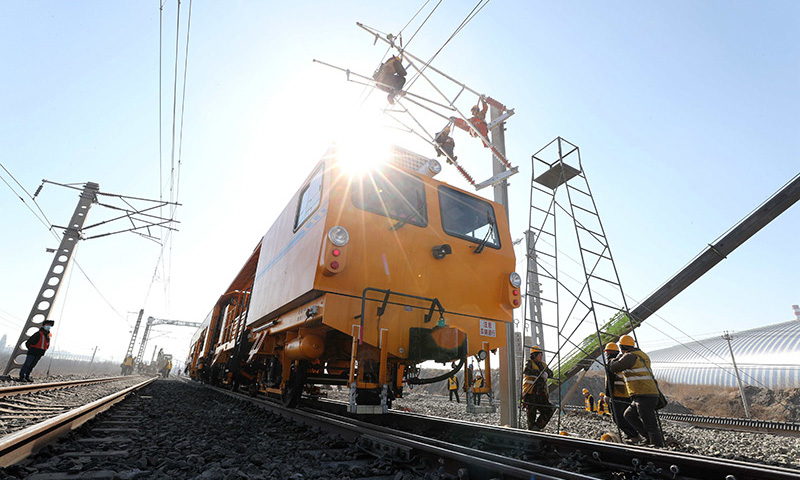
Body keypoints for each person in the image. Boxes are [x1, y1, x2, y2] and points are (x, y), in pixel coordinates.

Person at [608, 335, 665, 447]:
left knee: (649, 422)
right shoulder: (641, 355)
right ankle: (648, 438)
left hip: (644, 394)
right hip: (644, 394)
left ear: (621, 347)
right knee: (629, 414)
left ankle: (657, 446)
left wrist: (612, 360)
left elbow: (614, 367)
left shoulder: (630, 356)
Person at [604, 342, 643, 443]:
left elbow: (610, 380)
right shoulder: (622, 361)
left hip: (617, 395)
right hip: (627, 394)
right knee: (626, 417)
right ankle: (632, 434)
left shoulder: (612, 363)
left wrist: (608, 395)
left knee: (618, 419)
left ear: (609, 352)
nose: (606, 354)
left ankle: (634, 435)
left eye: (607, 352)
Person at [521, 346, 555, 431]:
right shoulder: (529, 363)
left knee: (549, 409)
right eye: (540, 355)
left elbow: (551, 373)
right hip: (530, 394)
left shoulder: (543, 365)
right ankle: (532, 430)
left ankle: (537, 427)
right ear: (535, 355)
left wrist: (546, 373)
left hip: (541, 394)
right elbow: (526, 370)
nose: (541, 357)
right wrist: (540, 373)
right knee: (531, 415)